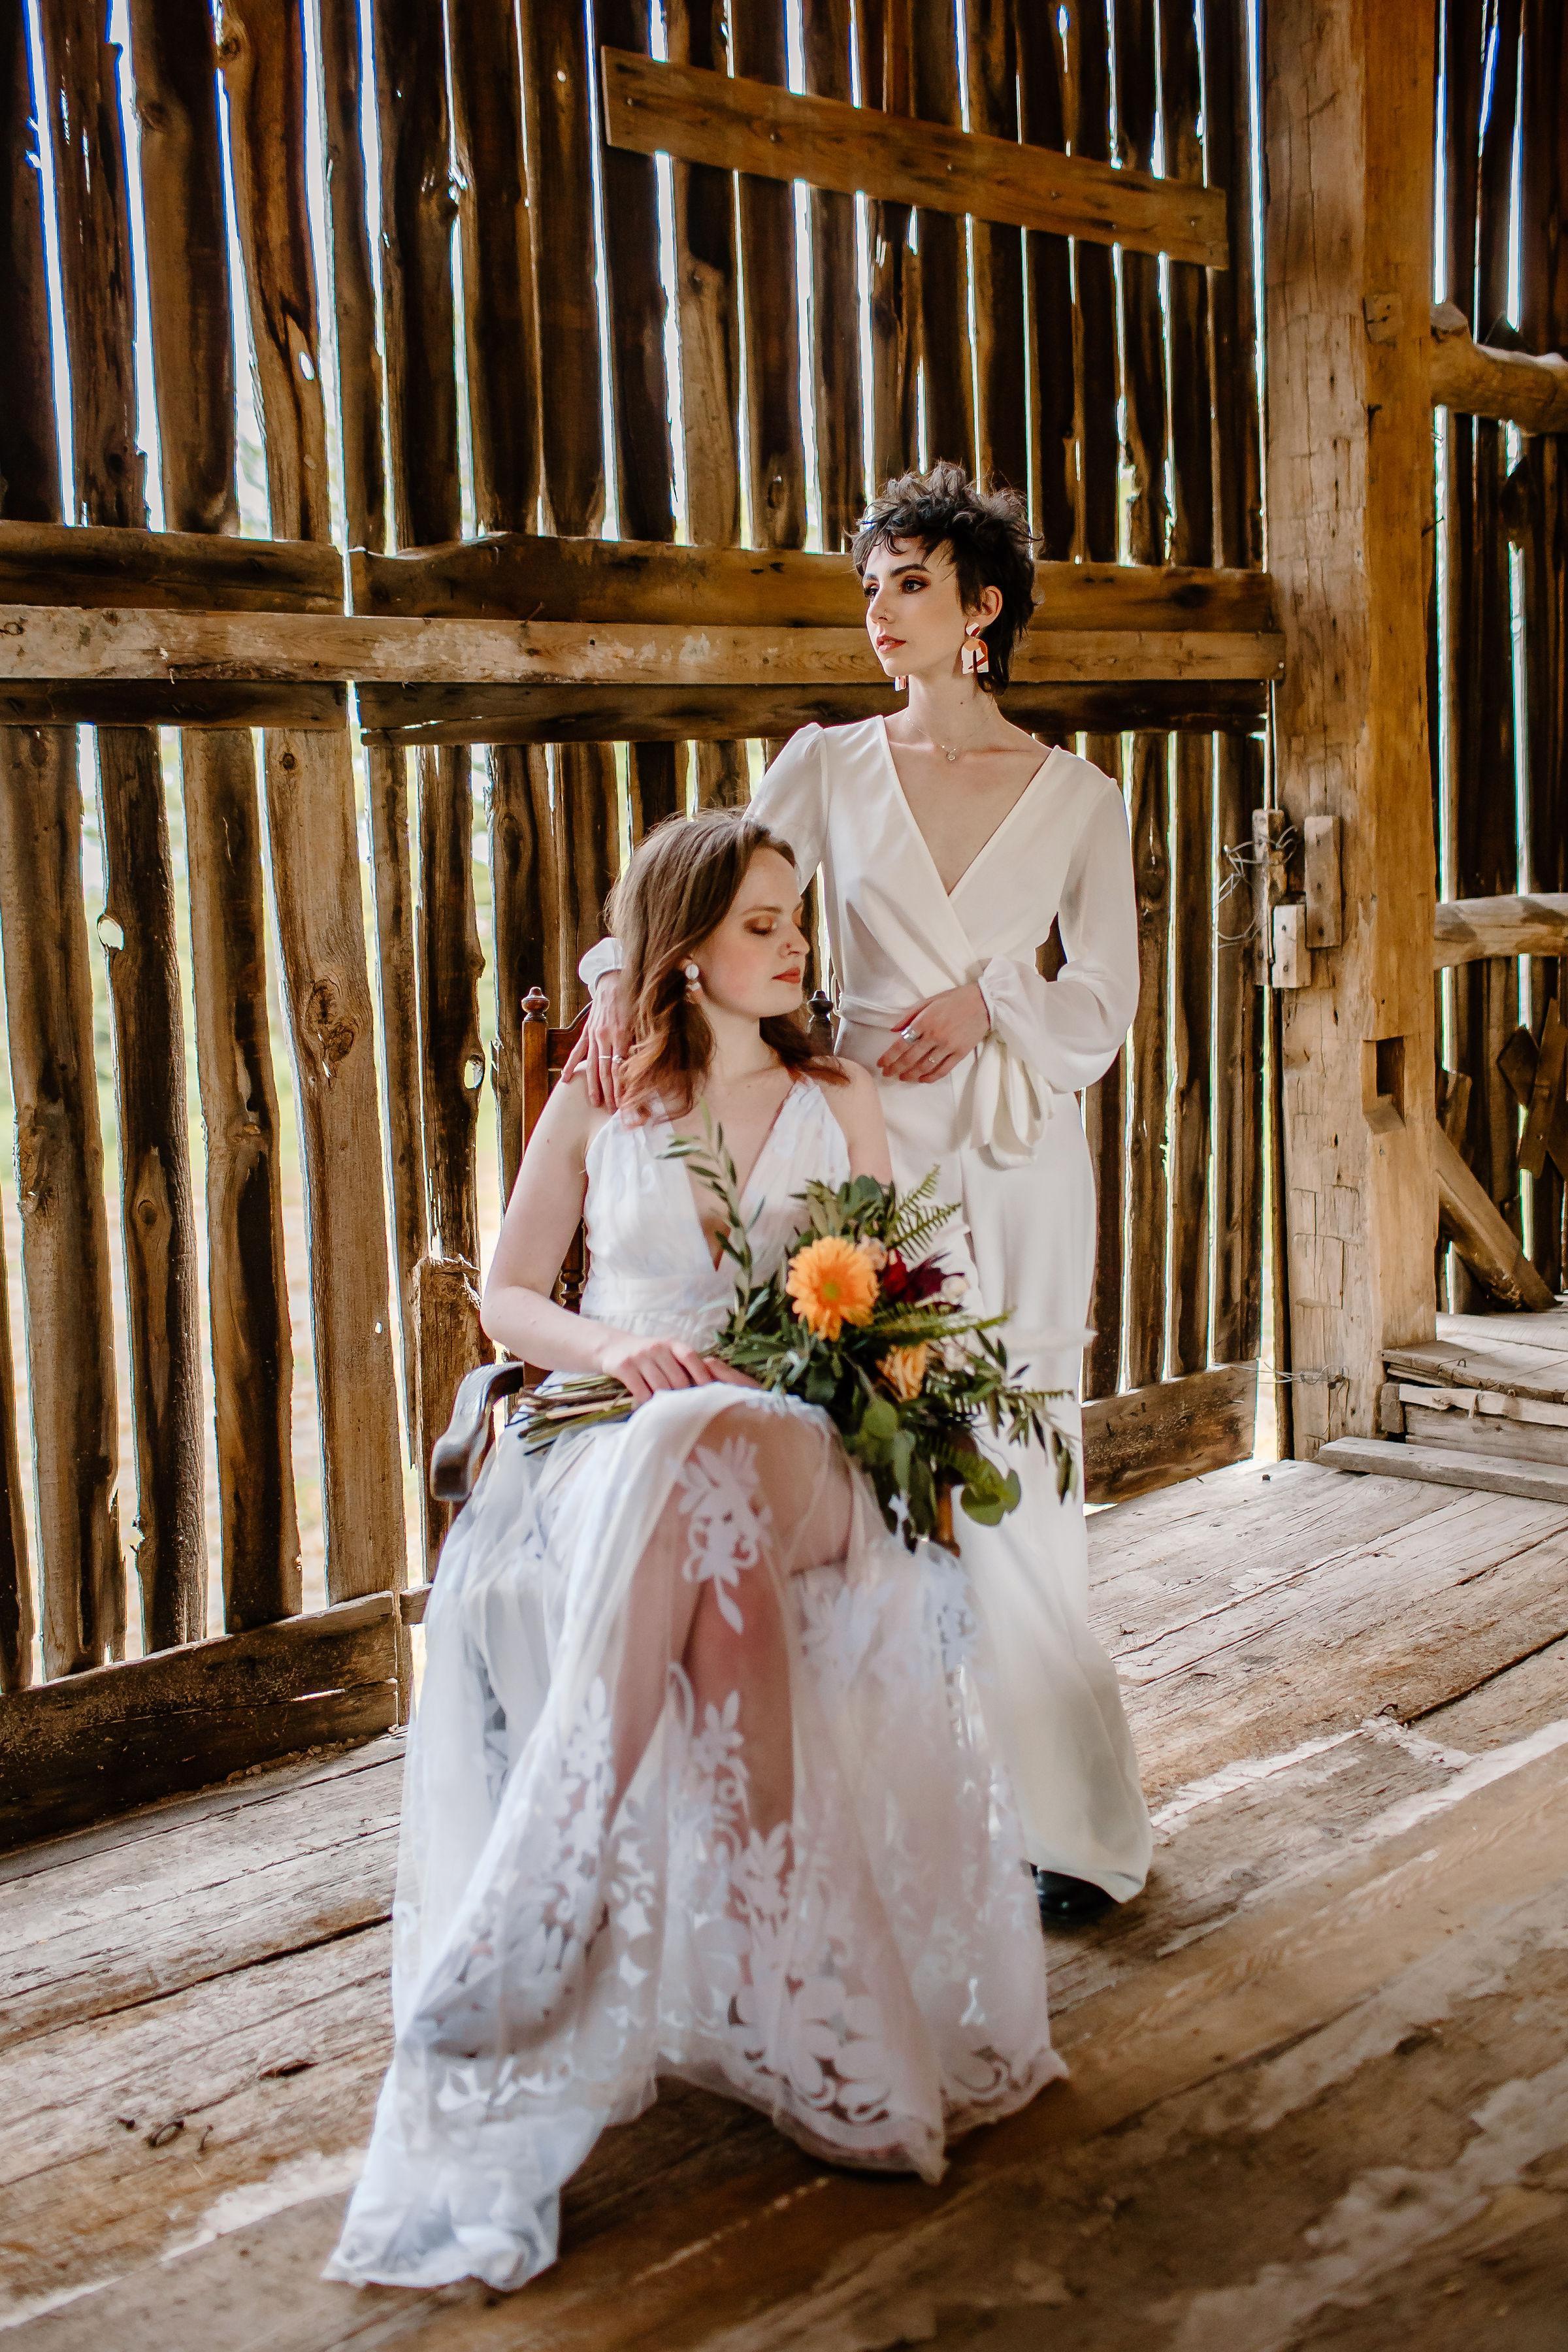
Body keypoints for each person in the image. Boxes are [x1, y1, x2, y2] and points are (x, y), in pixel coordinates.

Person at [326, 810, 1064, 2294]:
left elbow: (902, 1295)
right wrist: (623, 1346)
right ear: (684, 953)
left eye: (796, 922)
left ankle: (558, 1873)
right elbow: (510, 1297)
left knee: (719, 1436)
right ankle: (806, 2005)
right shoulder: (604, 1097)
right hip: (620, 1438)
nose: (795, 949)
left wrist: (865, 1348)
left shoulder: (841, 1094)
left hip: (815, 1448)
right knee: (692, 1454)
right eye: (761, 926)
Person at [571, 465, 1153, 1919]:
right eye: (870, 588)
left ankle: (1075, 1833)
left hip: (1017, 1154)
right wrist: (615, 981)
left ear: (983, 608)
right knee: (878, 1463)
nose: (880, 612)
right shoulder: (827, 763)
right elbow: (719, 888)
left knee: (1023, 1469)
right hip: (864, 1143)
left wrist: (995, 998)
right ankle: (894, 1818)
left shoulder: (1082, 799)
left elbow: (1107, 999)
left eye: (911, 585)